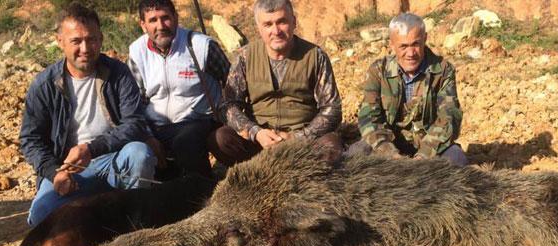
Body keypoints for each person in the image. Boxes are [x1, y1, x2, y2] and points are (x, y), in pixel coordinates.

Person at [20, 3, 156, 227]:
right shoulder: (45, 84)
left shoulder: (118, 74)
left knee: (139, 153)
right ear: (60, 42)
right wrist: (55, 173)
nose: (85, 48)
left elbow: (135, 124)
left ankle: (133, 226)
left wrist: (91, 149)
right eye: (76, 41)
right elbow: (30, 140)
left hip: (113, 159)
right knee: (40, 218)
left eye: (91, 39)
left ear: (101, 39)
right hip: (68, 169)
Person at [209, 0, 343, 166]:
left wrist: (298, 137)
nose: (276, 31)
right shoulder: (245, 57)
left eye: (282, 22)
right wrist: (255, 132)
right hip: (259, 142)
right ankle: (253, 178)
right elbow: (227, 105)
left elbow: (332, 109)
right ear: (259, 28)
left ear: (294, 22)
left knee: (331, 146)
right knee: (220, 139)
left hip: (303, 141)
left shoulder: (316, 56)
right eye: (268, 24)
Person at [128, 0, 230, 177]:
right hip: (158, 126)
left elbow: (231, 81)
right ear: (143, 25)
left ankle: (203, 192)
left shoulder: (201, 46)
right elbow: (135, 103)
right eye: (153, 20)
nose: (160, 26)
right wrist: (147, 136)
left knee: (186, 141)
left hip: (199, 120)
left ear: (175, 18)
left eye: (165, 18)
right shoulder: (137, 53)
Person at [353, 12, 466, 165]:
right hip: (391, 146)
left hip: (429, 146)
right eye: (403, 46)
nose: (411, 53)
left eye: (416, 44)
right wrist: (390, 154)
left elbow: (449, 118)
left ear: (425, 39)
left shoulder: (443, 70)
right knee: (355, 156)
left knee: (456, 158)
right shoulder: (378, 71)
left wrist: (423, 156)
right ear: (392, 45)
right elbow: (369, 118)